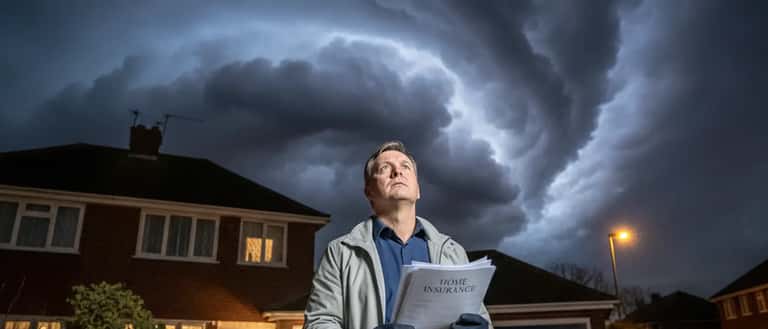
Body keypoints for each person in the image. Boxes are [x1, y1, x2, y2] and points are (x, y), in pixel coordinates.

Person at [304, 141, 492, 329]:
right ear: (368, 192)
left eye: (405, 167)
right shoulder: (340, 253)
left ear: (418, 190)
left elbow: (479, 317)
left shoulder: (454, 252)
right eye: (385, 168)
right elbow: (319, 322)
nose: (397, 172)